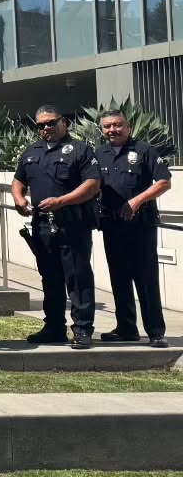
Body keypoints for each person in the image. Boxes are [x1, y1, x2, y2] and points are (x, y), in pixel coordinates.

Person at [13, 106, 102, 347]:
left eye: (51, 123)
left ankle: (82, 330)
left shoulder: (81, 151)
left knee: (77, 279)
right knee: (50, 279)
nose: (46, 128)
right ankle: (54, 328)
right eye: (40, 125)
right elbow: (18, 181)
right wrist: (19, 200)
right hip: (42, 227)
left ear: (64, 122)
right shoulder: (32, 152)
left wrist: (61, 202)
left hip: (72, 225)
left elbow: (93, 185)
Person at [94, 110, 171, 345]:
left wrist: (136, 201)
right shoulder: (99, 154)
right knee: (119, 278)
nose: (112, 130)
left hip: (140, 226)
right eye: (107, 127)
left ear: (128, 127)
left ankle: (155, 332)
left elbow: (164, 182)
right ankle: (127, 328)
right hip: (112, 225)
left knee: (146, 278)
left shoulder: (144, 150)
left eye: (117, 125)